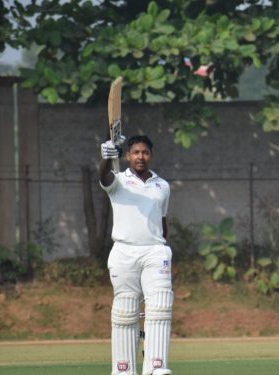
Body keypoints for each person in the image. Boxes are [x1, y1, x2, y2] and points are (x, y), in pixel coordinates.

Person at [99, 135, 173, 375]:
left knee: (161, 305)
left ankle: (157, 367)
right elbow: (103, 177)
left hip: (154, 250)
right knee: (125, 310)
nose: (141, 157)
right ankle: (123, 370)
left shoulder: (163, 185)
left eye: (145, 152)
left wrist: (163, 246)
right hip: (124, 250)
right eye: (136, 153)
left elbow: (162, 221)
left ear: (151, 155)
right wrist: (106, 159)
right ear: (128, 155)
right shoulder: (118, 181)